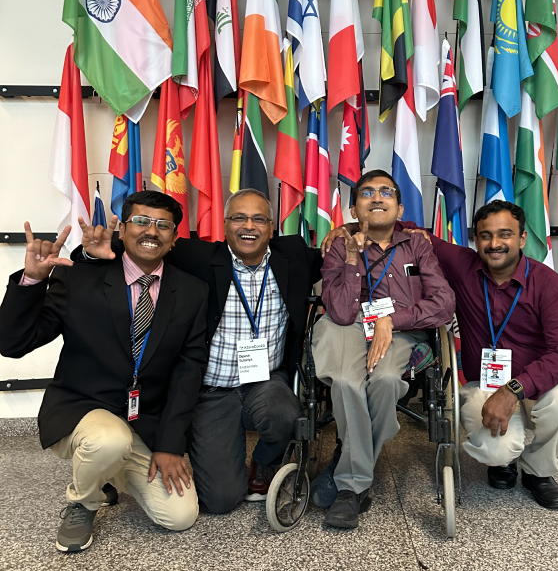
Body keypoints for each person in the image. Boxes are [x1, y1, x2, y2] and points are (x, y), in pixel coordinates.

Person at [78, 188, 323, 514]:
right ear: (224, 225)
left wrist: (349, 232)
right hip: (210, 390)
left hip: (265, 381)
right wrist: (94, 253)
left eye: (258, 219)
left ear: (272, 227)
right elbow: (144, 247)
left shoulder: (293, 255)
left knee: (284, 413)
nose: (248, 225)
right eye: (239, 217)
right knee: (220, 501)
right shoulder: (197, 258)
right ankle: (208, 454)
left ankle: (263, 463)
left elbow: (337, 254)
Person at [0, 192, 209, 552]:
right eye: (142, 221)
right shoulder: (80, 278)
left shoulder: (192, 291)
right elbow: (13, 343)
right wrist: (32, 281)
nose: (152, 231)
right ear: (123, 230)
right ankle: (83, 501)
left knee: (179, 516)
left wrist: (170, 445)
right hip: (82, 407)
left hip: (144, 419)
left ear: (174, 238)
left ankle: (109, 468)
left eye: (163, 225)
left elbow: (189, 371)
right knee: (108, 440)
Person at [395, 200, 558, 510]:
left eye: (505, 234)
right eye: (485, 236)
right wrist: (348, 231)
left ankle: (537, 471)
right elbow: (410, 232)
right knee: (495, 450)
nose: (495, 244)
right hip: (484, 382)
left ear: (522, 238)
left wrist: (513, 390)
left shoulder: (547, 284)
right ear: (475, 240)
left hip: (539, 381)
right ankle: (504, 461)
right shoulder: (462, 264)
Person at [315, 170, 456, 530]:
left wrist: (391, 318)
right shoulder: (338, 244)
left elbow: (443, 304)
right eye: (366, 192)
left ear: (399, 205)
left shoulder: (418, 244)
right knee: (346, 384)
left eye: (386, 192)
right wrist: (349, 258)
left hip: (402, 330)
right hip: (345, 327)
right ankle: (353, 487)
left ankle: (345, 464)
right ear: (353, 207)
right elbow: (344, 312)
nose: (377, 198)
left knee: (387, 382)